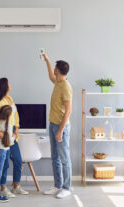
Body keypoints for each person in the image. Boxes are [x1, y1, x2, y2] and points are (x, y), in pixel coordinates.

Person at [0, 77, 29, 198]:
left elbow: (16, 116)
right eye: (9, 83)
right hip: (5, 136)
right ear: (5, 87)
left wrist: (16, 130)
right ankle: (2, 188)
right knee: (4, 164)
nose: (11, 84)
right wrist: (0, 134)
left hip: (13, 135)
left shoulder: (10, 99)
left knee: (18, 160)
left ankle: (16, 186)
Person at [42, 53, 73, 199]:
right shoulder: (58, 82)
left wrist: (60, 131)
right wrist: (47, 60)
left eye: (54, 67)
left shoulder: (66, 86)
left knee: (64, 159)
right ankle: (57, 185)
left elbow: (68, 111)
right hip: (53, 124)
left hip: (62, 127)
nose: (53, 69)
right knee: (55, 158)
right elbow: (50, 76)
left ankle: (66, 188)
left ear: (58, 71)